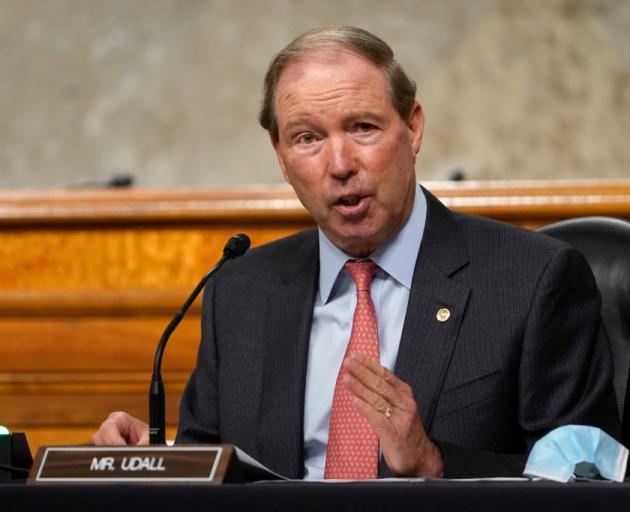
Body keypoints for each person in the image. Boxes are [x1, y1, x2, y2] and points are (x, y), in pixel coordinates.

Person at [93, 26, 620, 479]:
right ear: (280, 155)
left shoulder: (531, 279)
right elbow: (210, 462)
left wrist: (436, 462)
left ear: (412, 128)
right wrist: (157, 463)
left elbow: (583, 481)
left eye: (362, 127)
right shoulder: (241, 290)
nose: (340, 163)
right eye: (307, 138)